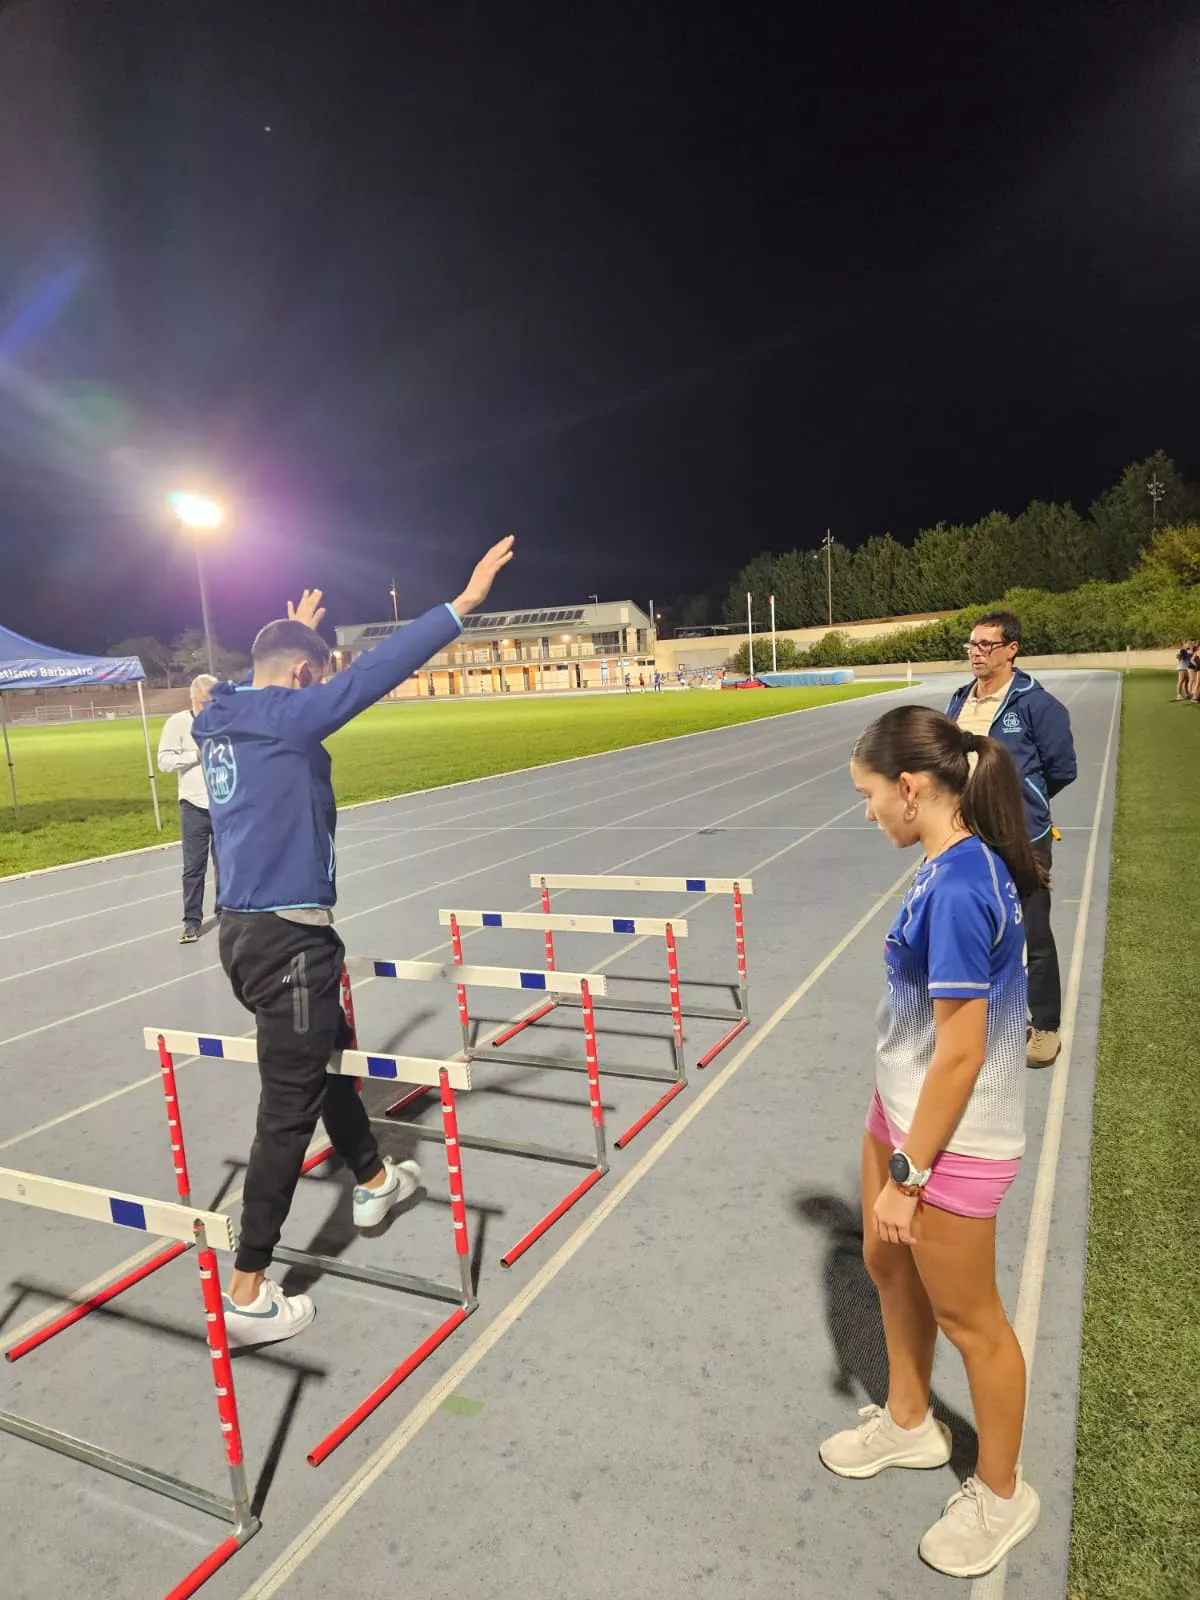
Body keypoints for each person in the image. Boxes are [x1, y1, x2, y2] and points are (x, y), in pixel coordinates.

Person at [192, 536, 514, 1346]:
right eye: (316, 674)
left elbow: (249, 679)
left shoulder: (219, 715)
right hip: (291, 944)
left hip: (243, 935)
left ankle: (373, 1176)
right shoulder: (291, 717)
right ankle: (249, 1288)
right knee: (286, 1111)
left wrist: (290, 635)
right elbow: (375, 673)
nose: (324, 686)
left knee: (327, 1057)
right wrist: (459, 607)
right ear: (302, 676)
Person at [819, 704, 1041, 1579]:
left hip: (952, 1138)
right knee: (882, 1260)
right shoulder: (948, 861)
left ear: (911, 789)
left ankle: (1000, 1493)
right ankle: (911, 1423)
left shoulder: (956, 887)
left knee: (971, 1319)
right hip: (903, 1113)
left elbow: (962, 1050)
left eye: (870, 795)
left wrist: (909, 1176)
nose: (866, 810)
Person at [946, 612, 1076, 1068]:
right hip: (966, 835)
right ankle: (984, 1019)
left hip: (1023, 837)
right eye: (972, 645)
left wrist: (1022, 801)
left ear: (1011, 649)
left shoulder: (1038, 706)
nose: (976, 652)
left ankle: (1045, 1028)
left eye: (986, 644)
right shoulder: (959, 700)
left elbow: (1062, 769)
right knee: (974, 931)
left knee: (1034, 933)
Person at [157, 673, 221, 943]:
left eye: (213, 703)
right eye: (204, 703)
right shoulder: (178, 723)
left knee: (227, 864)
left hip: (223, 802)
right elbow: (164, 761)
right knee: (194, 867)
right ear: (193, 699)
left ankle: (227, 912)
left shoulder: (224, 720)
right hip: (193, 805)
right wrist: (194, 755)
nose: (208, 708)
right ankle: (192, 921)